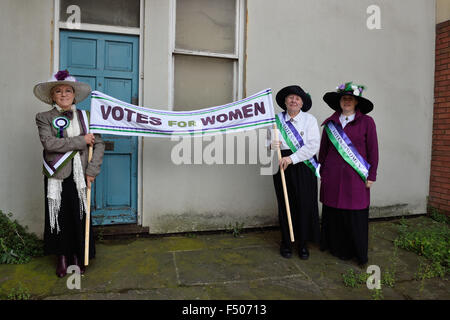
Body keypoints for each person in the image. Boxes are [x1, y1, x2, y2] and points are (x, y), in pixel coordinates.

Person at [34, 70, 105, 277]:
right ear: (52, 96)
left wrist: (92, 171)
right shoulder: (44, 118)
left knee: (80, 215)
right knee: (58, 215)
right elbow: (49, 144)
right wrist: (81, 141)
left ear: (74, 95)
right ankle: (62, 256)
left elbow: (98, 145)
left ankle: (77, 255)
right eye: (58, 91)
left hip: (81, 175)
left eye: (68, 91)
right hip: (56, 173)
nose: (63, 95)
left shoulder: (87, 117)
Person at [319, 82, 379, 266]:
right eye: (344, 98)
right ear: (339, 102)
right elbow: (323, 150)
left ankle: (357, 253)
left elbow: (373, 150)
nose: (346, 101)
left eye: (350, 99)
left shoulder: (367, 122)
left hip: (356, 177)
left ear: (356, 102)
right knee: (334, 213)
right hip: (332, 176)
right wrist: (321, 170)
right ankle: (334, 247)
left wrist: (371, 175)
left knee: (355, 215)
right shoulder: (330, 123)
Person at [269, 85, 321, 259]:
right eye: (290, 97)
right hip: (282, 165)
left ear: (302, 103)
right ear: (285, 101)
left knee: (304, 204)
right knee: (285, 205)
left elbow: (313, 146)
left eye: (297, 98)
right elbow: (268, 142)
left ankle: (303, 243)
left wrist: (292, 158)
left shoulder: (310, 120)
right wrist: (270, 145)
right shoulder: (276, 120)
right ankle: (287, 242)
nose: (293, 100)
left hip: (304, 165)